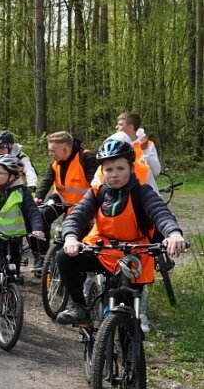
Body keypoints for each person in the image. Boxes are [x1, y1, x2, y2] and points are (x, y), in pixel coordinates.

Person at [55, 139, 186, 327]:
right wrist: (70, 237)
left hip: (134, 256)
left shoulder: (143, 193)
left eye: (120, 168)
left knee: (127, 321)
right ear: (102, 172)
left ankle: (132, 350)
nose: (114, 174)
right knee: (64, 257)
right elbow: (76, 217)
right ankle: (80, 309)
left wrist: (173, 233)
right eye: (108, 170)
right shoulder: (96, 192)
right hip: (103, 251)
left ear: (131, 168)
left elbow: (161, 213)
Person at [0, 154, 44, 317]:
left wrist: (37, 228)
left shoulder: (22, 191)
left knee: (13, 273)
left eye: (0, 173)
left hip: (14, 238)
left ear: (12, 175)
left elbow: (32, 211)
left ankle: (11, 304)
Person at [34, 130, 97, 241]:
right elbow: (47, 180)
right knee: (41, 215)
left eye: (52, 151)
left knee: (75, 231)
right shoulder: (55, 161)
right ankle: (42, 255)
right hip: (61, 198)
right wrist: (39, 196)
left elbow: (95, 183)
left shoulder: (87, 157)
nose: (50, 154)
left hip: (82, 202)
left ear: (65, 150)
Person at [92, 112, 159, 193]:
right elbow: (94, 189)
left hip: (141, 193)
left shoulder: (148, 145)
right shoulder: (112, 144)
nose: (116, 127)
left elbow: (156, 171)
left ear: (130, 127)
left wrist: (146, 151)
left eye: (120, 124)